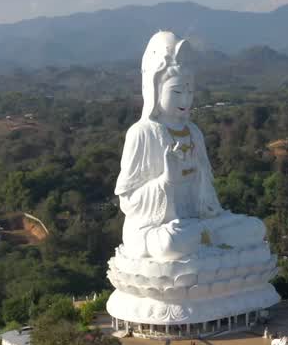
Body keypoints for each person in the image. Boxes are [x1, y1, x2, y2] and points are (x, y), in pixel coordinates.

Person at [114, 31, 266, 261]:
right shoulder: (143, 133)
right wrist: (166, 182)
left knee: (255, 228)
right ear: (155, 90)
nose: (185, 100)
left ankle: (205, 239)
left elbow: (206, 197)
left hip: (197, 223)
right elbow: (128, 202)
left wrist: (208, 214)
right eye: (176, 92)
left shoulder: (194, 132)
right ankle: (205, 241)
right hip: (156, 228)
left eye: (189, 91)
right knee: (168, 244)